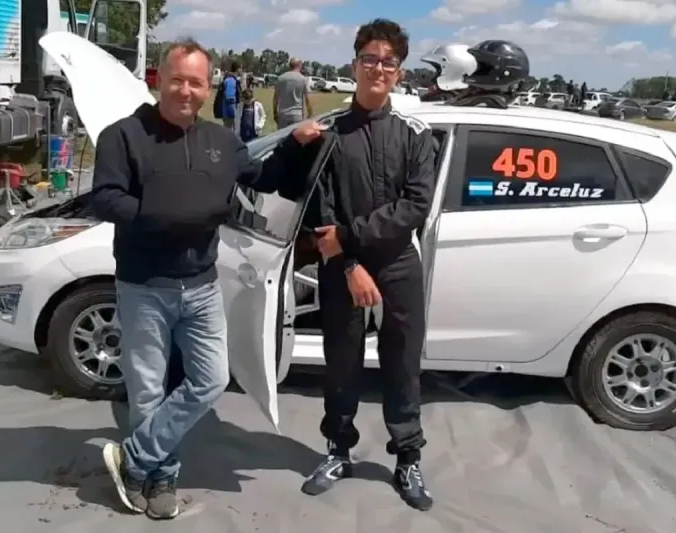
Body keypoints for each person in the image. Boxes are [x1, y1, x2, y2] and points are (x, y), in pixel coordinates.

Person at [90, 38, 292, 520]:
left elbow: (262, 177)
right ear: (158, 79)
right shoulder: (123, 136)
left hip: (201, 286)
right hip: (144, 286)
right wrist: (162, 215)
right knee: (146, 392)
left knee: (210, 379)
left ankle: (133, 458)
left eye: (196, 82)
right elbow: (105, 199)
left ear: (208, 88)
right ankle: (161, 480)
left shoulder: (222, 142)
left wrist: (302, 145)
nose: (185, 90)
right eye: (177, 79)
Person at [289, 18, 436, 511]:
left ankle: (408, 458)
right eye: (369, 59)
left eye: (388, 62)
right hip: (342, 266)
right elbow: (323, 212)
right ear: (354, 64)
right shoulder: (331, 133)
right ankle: (337, 450)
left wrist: (352, 237)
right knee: (342, 364)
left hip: (398, 264)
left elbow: (416, 205)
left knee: (402, 365)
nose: (378, 68)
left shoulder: (415, 133)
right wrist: (349, 260)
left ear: (399, 72)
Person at [273, 57, 313, 128]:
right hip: (297, 115)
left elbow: (275, 98)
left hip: (283, 115)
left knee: (282, 138)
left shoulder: (281, 78)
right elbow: (307, 99)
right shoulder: (303, 79)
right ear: (299, 65)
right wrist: (310, 113)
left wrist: (275, 113)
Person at [221, 61, 241, 131]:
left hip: (227, 111)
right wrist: (234, 113)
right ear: (238, 69)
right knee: (229, 132)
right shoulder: (231, 80)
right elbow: (230, 98)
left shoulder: (229, 78)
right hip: (230, 112)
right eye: (241, 68)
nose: (241, 70)